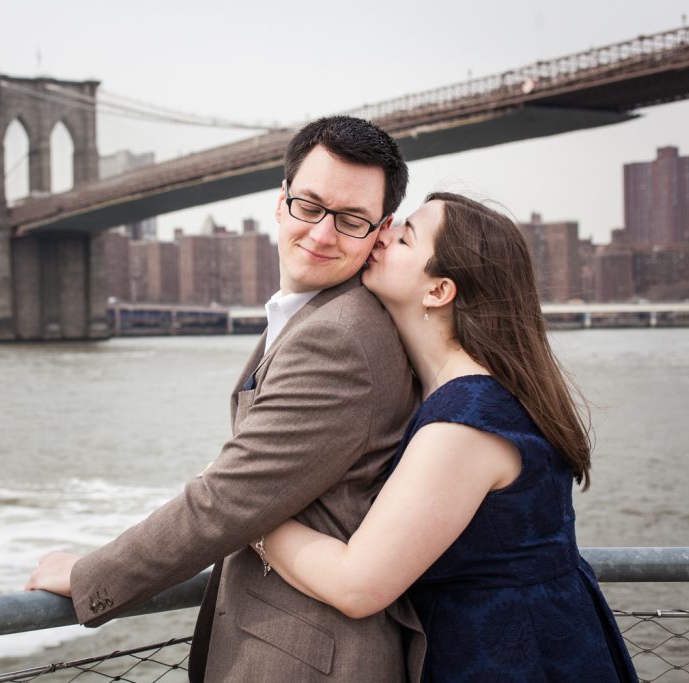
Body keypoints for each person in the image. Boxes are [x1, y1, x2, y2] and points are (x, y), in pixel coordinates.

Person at [25, 116, 428, 682]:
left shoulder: (342, 336)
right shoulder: (319, 313)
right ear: (280, 202)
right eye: (308, 206)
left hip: (309, 661)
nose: (320, 233)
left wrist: (91, 575)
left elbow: (229, 500)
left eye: (351, 219)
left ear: (381, 230)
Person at [257, 193, 639, 682]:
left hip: (504, 657)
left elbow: (358, 586)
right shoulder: (475, 394)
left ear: (438, 291)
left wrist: (250, 520)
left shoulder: (465, 425)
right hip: (542, 640)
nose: (382, 233)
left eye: (405, 236)